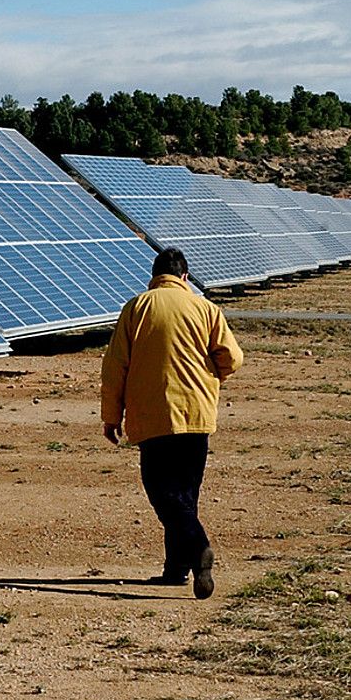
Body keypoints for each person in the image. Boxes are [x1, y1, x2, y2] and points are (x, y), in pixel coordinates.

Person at [100, 248, 243, 599]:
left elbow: (115, 366)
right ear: (184, 277)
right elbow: (232, 357)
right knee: (185, 495)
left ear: (155, 276)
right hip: (197, 415)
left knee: (162, 491)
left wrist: (110, 416)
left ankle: (198, 547)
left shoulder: (138, 308)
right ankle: (177, 570)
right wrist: (212, 378)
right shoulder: (206, 308)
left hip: (154, 416)